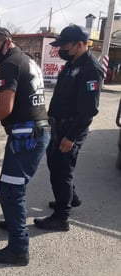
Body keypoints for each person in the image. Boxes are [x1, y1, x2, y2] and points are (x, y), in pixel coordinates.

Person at [0, 27, 51, 266]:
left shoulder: (9, 64)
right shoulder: (26, 60)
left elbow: (6, 110)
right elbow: (15, 100)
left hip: (26, 136)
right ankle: (11, 221)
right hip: (33, 132)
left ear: (7, 43)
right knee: (13, 186)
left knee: (11, 190)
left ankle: (19, 249)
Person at [33, 25, 104, 231]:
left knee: (61, 171)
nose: (60, 49)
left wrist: (71, 137)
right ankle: (70, 198)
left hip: (71, 128)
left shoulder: (90, 68)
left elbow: (89, 110)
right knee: (56, 165)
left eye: (65, 45)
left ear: (80, 45)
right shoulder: (73, 62)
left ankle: (61, 218)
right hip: (58, 124)